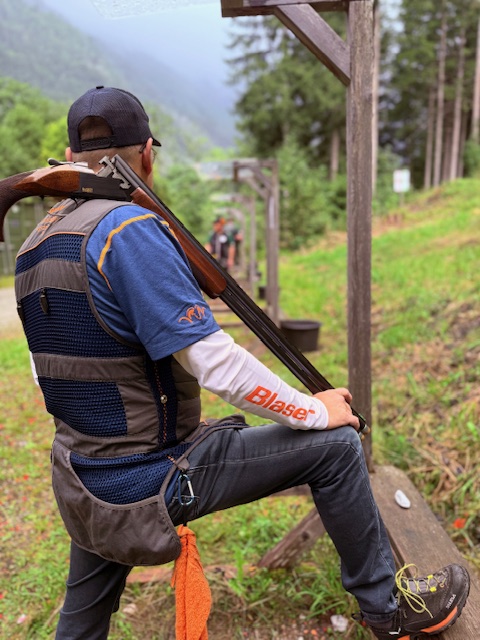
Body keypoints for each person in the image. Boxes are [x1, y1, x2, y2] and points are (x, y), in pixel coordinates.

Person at [14, 86, 470, 640]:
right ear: (148, 155)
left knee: (81, 619)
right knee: (335, 446)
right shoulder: (127, 231)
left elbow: (47, 374)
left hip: (82, 473)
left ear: (70, 156)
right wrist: (316, 411)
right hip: (151, 475)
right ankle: (388, 612)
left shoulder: (36, 242)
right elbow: (217, 366)